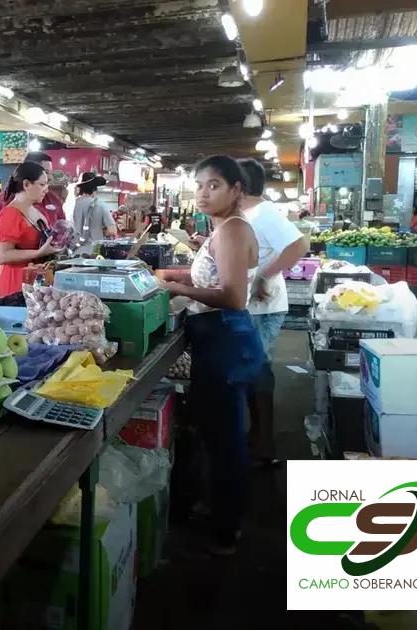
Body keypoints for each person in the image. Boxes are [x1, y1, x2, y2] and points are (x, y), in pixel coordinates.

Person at [160, 155, 264, 555]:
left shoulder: (233, 231)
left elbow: (234, 297)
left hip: (225, 340)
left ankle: (226, 528)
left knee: (226, 441)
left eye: (215, 185)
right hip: (217, 339)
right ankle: (219, 508)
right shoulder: (224, 229)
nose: (203, 193)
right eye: (200, 184)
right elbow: (220, 277)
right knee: (216, 432)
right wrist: (180, 275)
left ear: (237, 190)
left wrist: (180, 290)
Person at [237, 159, 307, 468]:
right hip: (252, 305)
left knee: (258, 369)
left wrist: (264, 275)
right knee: (253, 369)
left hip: (263, 307)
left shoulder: (264, 213)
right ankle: (257, 438)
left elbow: (298, 245)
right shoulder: (249, 215)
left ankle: (265, 443)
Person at [0, 161, 63, 299]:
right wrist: (38, 253)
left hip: (34, 282)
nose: (46, 189)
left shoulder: (36, 211)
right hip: (15, 283)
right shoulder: (10, 214)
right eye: (42, 184)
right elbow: (1, 255)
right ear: (26, 184)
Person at [0, 151, 65, 225]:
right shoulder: (3, 200)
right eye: (46, 172)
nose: (50, 177)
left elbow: (62, 226)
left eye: (51, 172)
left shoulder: (53, 199)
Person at [72, 172, 116, 244]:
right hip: (94, 250)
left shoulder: (76, 205)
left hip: (77, 249)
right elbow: (112, 230)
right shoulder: (101, 205)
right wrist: (101, 231)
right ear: (94, 189)